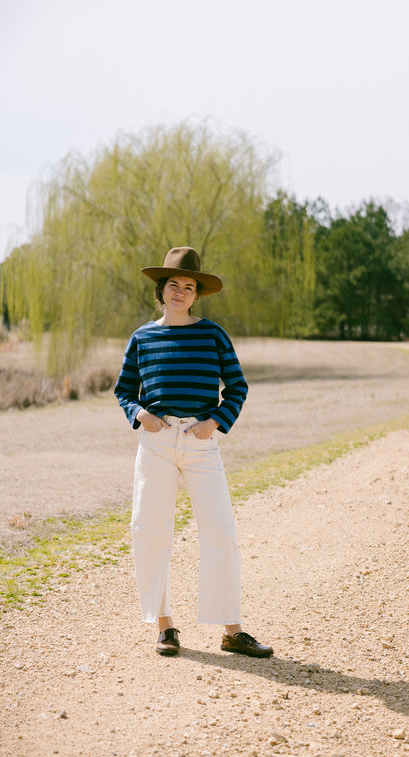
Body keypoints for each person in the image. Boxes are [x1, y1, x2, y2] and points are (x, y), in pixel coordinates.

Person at [114, 246, 273, 658]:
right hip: (157, 442)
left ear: (196, 294)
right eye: (173, 285)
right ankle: (165, 626)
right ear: (161, 291)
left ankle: (232, 631)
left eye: (188, 286)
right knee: (151, 531)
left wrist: (216, 420)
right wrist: (140, 414)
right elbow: (123, 390)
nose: (180, 292)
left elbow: (237, 387)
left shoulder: (213, 334)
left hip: (202, 443)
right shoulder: (143, 338)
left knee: (221, 531)